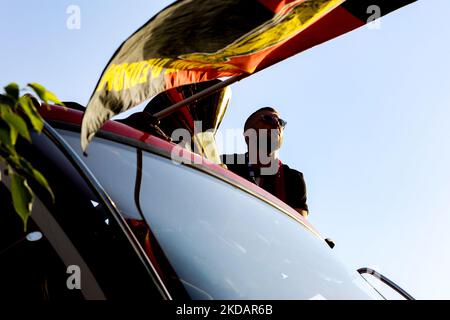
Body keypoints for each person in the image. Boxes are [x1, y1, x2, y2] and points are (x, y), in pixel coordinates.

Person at [221, 107, 309, 218]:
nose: (277, 124)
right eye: (268, 119)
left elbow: (297, 231)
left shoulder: (293, 179)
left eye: (280, 122)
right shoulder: (225, 164)